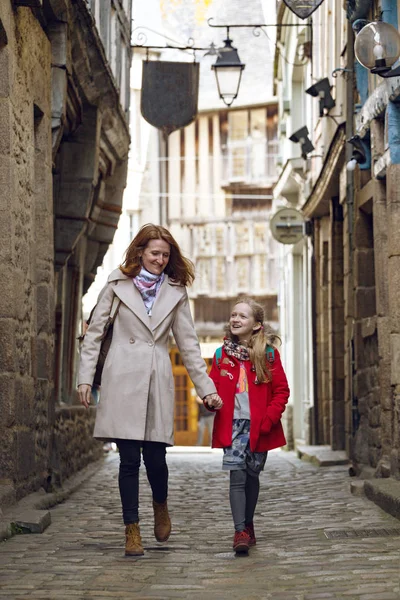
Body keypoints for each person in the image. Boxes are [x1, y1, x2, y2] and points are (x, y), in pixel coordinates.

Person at [78, 224, 222, 557]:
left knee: (156, 459)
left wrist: (207, 389)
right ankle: (132, 530)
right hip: (121, 378)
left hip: (157, 378)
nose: (160, 259)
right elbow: (95, 334)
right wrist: (85, 378)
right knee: (128, 461)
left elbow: (188, 344)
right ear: (140, 251)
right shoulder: (116, 284)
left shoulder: (175, 291)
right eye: (154, 253)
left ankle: (161, 505)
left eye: (165, 255)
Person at [206, 297, 290, 555]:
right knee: (237, 476)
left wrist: (268, 421)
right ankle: (239, 530)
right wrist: (210, 399)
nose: (235, 319)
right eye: (233, 315)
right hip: (232, 427)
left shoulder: (268, 355)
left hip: (259, 427)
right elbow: (212, 389)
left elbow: (281, 392)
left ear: (256, 325)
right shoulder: (221, 356)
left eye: (242, 316)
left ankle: (249, 523)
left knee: (252, 476)